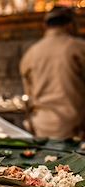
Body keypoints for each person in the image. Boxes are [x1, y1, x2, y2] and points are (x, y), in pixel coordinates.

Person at [20, 7, 85, 139]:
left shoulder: (31, 53)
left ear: (45, 26)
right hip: (74, 130)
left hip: (41, 128)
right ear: (71, 25)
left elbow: (29, 94)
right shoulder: (78, 47)